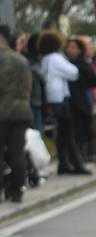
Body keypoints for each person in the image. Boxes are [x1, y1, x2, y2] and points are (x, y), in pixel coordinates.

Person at [38, 30, 90, 175]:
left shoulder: (45, 59)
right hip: (60, 98)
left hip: (51, 99)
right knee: (67, 132)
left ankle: (64, 163)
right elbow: (73, 72)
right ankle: (76, 164)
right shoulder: (56, 58)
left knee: (61, 134)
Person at [0, 23, 31, 204]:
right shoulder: (21, 60)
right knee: (17, 151)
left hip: (2, 112)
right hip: (21, 112)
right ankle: (17, 189)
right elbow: (28, 87)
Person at [64, 37, 96, 166]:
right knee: (73, 131)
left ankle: (86, 155)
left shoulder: (83, 64)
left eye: (74, 47)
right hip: (69, 102)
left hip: (83, 100)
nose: (70, 50)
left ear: (80, 50)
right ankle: (78, 158)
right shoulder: (64, 63)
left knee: (86, 129)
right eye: (69, 47)